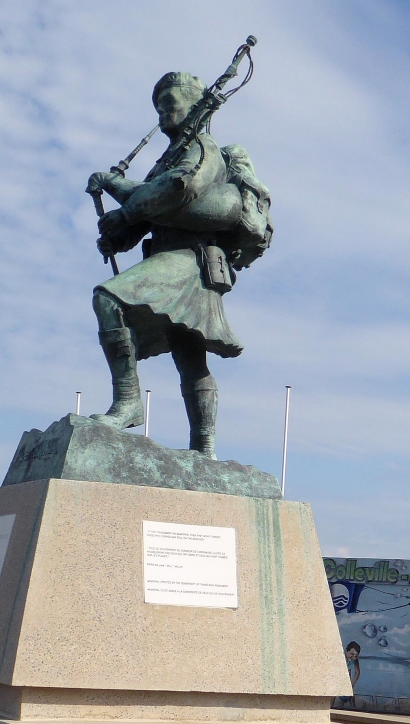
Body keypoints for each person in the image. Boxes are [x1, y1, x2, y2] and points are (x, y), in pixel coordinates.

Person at [86, 71, 272, 458]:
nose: (162, 113)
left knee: (109, 298)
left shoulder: (204, 148)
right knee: (189, 356)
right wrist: (116, 230)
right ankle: (203, 447)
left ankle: (129, 403)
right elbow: (141, 221)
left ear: (195, 109)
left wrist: (118, 189)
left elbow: (178, 191)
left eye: (170, 104)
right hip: (168, 255)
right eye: (158, 107)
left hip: (191, 260)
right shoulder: (161, 164)